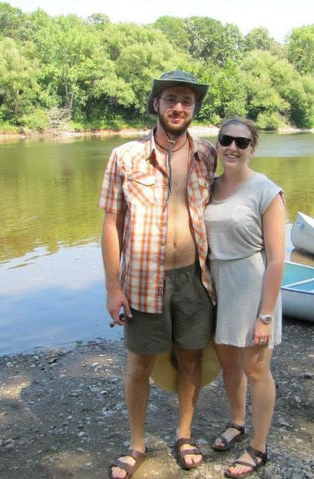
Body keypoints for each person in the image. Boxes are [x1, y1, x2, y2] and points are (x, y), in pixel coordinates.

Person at [99, 70, 217, 479]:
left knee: (191, 357)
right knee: (139, 365)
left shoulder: (208, 154)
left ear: (194, 108)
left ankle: (184, 434)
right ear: (156, 104)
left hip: (195, 279)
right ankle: (136, 445)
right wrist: (113, 286)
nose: (178, 107)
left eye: (186, 100)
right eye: (170, 99)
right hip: (143, 280)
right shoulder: (125, 157)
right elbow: (111, 223)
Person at [204, 118, 285, 478]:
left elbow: (278, 258)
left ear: (253, 148)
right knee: (229, 365)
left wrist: (265, 315)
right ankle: (237, 424)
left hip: (251, 286)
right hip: (216, 283)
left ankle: (258, 447)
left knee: (255, 368)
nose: (232, 147)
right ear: (218, 143)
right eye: (226, 140)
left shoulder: (266, 190)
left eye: (242, 142)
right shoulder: (207, 186)